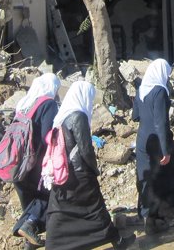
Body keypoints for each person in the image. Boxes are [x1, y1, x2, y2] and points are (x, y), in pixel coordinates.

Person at [44, 81, 135, 250]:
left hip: (63, 172)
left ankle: (53, 245)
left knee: (59, 211)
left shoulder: (63, 115)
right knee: (95, 208)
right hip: (80, 173)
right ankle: (118, 242)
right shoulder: (78, 116)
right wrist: (94, 170)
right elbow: (85, 149)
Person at [133, 59, 174, 235]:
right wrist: (165, 150)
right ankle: (173, 208)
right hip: (158, 141)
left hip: (142, 139)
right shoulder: (159, 91)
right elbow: (161, 123)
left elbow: (135, 116)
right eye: (167, 73)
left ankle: (145, 213)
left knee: (147, 176)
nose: (167, 77)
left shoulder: (141, 88)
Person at [13, 72, 61, 250]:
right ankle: (29, 226)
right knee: (47, 196)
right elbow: (47, 135)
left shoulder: (24, 103)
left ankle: (29, 242)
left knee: (29, 202)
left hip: (17, 163)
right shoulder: (48, 104)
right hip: (34, 162)